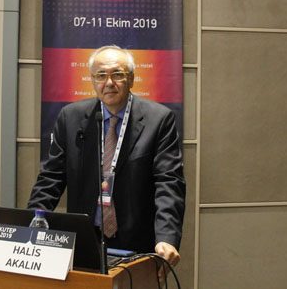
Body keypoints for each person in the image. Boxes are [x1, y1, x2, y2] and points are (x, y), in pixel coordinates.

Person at [28, 45, 186, 268]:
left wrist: (166, 238)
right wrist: (30, 225)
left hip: (138, 243)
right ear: (92, 80)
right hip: (84, 241)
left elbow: (169, 183)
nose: (109, 83)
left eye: (118, 74)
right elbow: (51, 179)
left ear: (131, 79)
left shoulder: (159, 120)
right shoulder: (71, 118)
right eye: (101, 75)